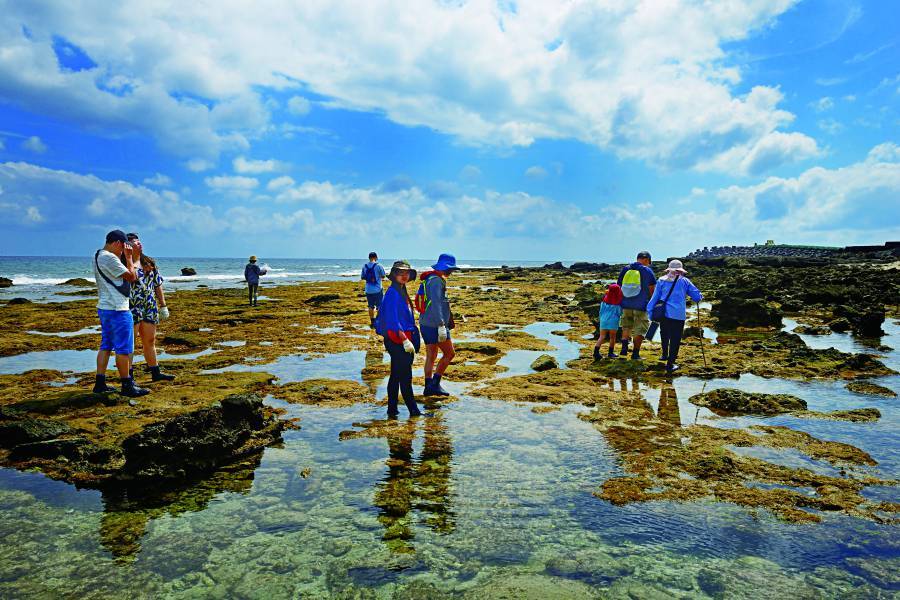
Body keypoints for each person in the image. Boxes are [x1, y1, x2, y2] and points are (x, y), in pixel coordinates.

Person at [92, 230, 148, 397]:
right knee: (123, 349)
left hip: (104, 307)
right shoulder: (109, 257)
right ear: (117, 243)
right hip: (118, 309)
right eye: (123, 247)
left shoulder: (98, 256)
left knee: (106, 345)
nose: (123, 251)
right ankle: (127, 385)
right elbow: (132, 276)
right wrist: (131, 258)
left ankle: (100, 383)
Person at [126, 233, 174, 383]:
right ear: (127, 246)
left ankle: (155, 372)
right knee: (130, 344)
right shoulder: (124, 263)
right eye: (134, 242)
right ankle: (128, 376)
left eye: (139, 241)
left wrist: (163, 305)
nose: (138, 244)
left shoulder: (148, 263)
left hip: (149, 306)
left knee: (150, 340)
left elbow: (158, 286)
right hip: (130, 307)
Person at [377, 260, 422, 417]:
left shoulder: (401, 291)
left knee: (396, 375)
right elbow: (392, 321)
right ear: (394, 275)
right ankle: (414, 411)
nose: (404, 275)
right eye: (400, 273)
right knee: (405, 377)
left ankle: (392, 409)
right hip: (397, 341)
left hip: (400, 340)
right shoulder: (392, 294)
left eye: (406, 273)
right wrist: (404, 340)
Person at [645, 259, 703, 374]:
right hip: (678, 315)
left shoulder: (661, 280)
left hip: (663, 313)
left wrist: (650, 312)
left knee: (664, 332)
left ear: (669, 269)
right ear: (681, 270)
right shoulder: (685, 281)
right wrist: (699, 297)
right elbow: (697, 296)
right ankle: (670, 364)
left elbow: (654, 298)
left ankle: (664, 354)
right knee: (675, 338)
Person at [417, 253, 458, 397]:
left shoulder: (431, 278)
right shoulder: (436, 281)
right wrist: (442, 324)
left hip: (426, 323)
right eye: (450, 269)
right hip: (435, 324)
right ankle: (434, 384)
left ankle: (428, 387)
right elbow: (436, 304)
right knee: (449, 353)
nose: (451, 272)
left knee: (432, 355)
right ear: (445, 268)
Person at [617, 250, 656, 360]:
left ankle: (623, 351)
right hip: (641, 305)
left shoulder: (626, 269)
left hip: (625, 304)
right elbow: (652, 289)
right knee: (640, 329)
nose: (649, 264)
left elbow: (619, 286)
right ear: (646, 260)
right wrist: (653, 304)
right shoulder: (648, 271)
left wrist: (621, 301)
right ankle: (635, 354)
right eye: (649, 262)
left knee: (626, 327)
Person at [593, 283, 623, 360]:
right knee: (612, 338)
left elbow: (600, 311)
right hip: (613, 321)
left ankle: (596, 352)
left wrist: (600, 318)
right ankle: (610, 353)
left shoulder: (604, 301)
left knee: (601, 337)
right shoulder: (617, 303)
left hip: (603, 320)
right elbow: (619, 313)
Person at [361, 251, 386, 328]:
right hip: (378, 289)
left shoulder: (364, 266)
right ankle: (379, 321)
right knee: (379, 306)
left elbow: (362, 277)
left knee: (370, 306)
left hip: (368, 290)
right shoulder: (379, 266)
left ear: (369, 258)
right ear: (375, 257)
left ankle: (372, 321)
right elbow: (383, 276)